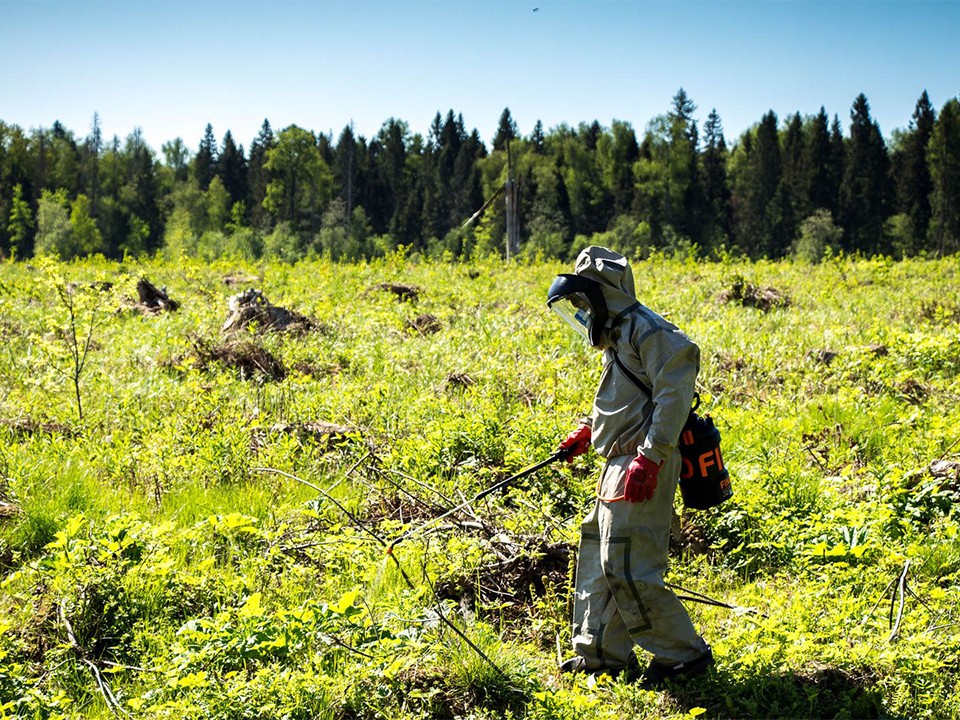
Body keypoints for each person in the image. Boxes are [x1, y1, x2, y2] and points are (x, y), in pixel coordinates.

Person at [547, 245, 713, 689]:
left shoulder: (650, 331)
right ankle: (600, 655)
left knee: (626, 563)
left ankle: (684, 656)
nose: (581, 312)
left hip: (641, 460)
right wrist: (589, 429)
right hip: (618, 459)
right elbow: (625, 397)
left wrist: (651, 457)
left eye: (584, 302)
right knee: (599, 557)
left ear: (603, 295)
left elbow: (673, 391)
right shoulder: (617, 335)